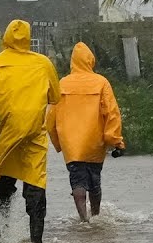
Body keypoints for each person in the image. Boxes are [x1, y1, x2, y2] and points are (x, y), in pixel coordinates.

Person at [0, 20, 61, 243]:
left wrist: (6, 114)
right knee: (36, 180)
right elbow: (55, 97)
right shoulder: (43, 63)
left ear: (6, 37)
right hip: (35, 132)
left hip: (9, 130)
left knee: (4, 177)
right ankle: (37, 240)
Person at [46, 42, 125, 222]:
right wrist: (116, 141)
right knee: (94, 180)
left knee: (77, 180)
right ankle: (96, 215)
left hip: (72, 145)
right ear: (91, 60)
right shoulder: (101, 82)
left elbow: (50, 119)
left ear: (72, 62)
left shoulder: (63, 83)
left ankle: (83, 219)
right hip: (94, 142)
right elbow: (112, 113)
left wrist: (59, 144)